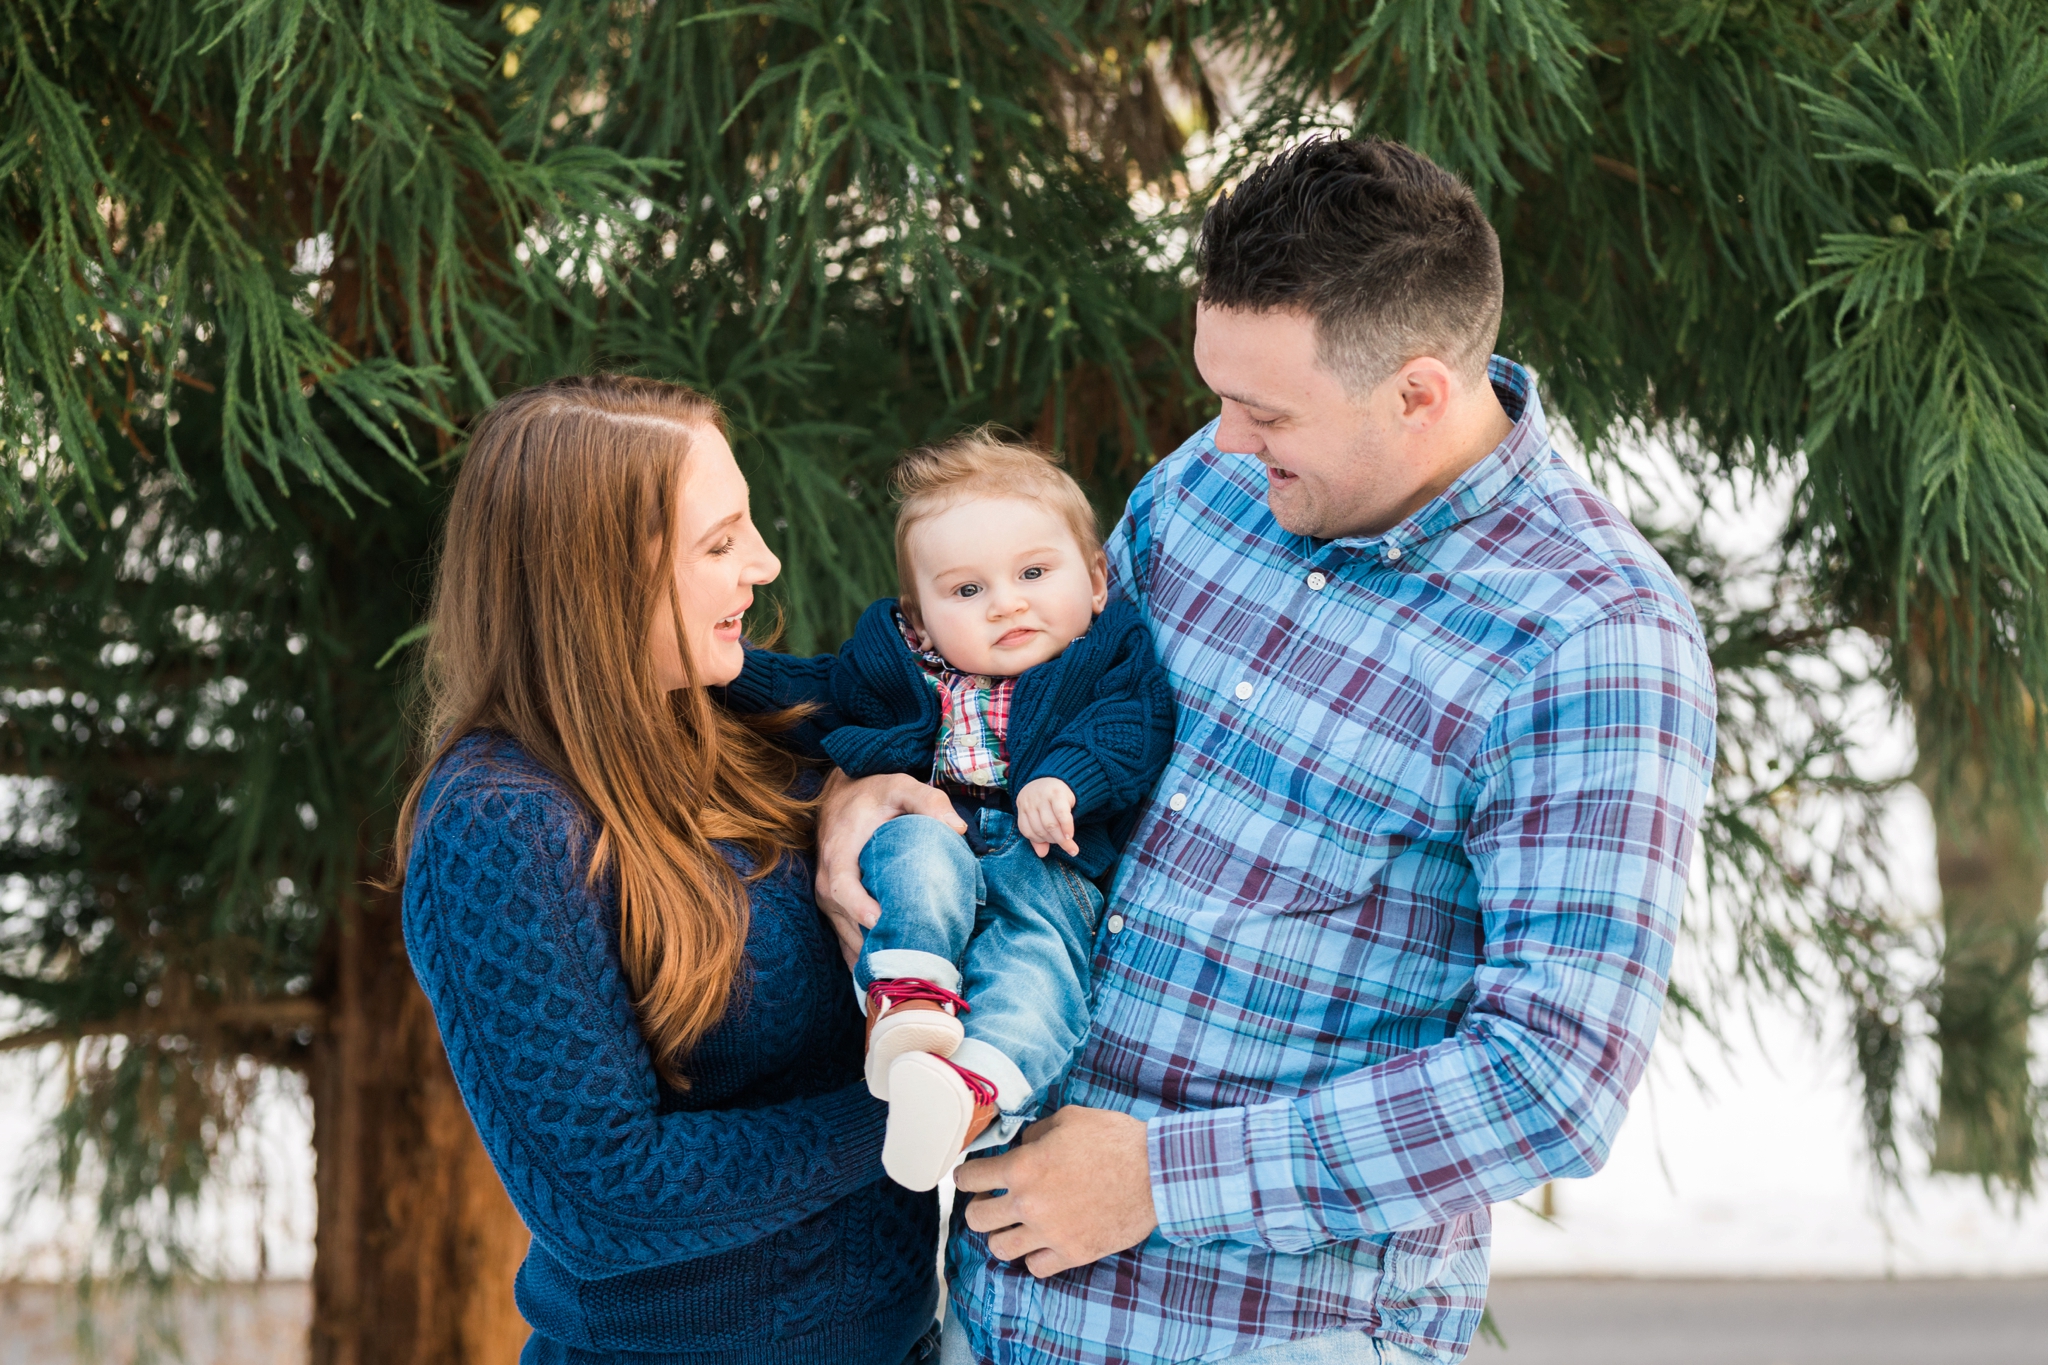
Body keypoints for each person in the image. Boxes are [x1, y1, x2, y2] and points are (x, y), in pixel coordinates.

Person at [815, 137, 1720, 1365]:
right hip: (1002, 1314)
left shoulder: (1591, 641)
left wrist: (1154, 1179)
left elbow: (1549, 1082)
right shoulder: (1207, 492)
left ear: (1415, 394)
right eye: (1220, 395)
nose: (1224, 440)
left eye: (1265, 410)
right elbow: (1027, 723)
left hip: (1274, 1335)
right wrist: (863, 798)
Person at [394, 376, 940, 1365]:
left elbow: (956, 735)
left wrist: (860, 793)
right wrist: (919, 1106)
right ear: (600, 574)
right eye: (719, 543)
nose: (763, 565)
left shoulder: (736, 723)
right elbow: (605, 1195)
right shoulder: (498, 827)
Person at [721, 433, 1174, 1191]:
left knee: (1043, 972)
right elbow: (810, 692)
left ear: (1097, 579)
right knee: (915, 849)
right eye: (968, 591)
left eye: (1034, 571)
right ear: (921, 620)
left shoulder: (1107, 656)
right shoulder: (900, 667)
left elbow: (1130, 728)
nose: (1008, 602)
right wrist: (726, 673)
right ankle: (908, 997)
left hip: (1046, 867)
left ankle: (970, 1094)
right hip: (946, 831)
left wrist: (1063, 779)